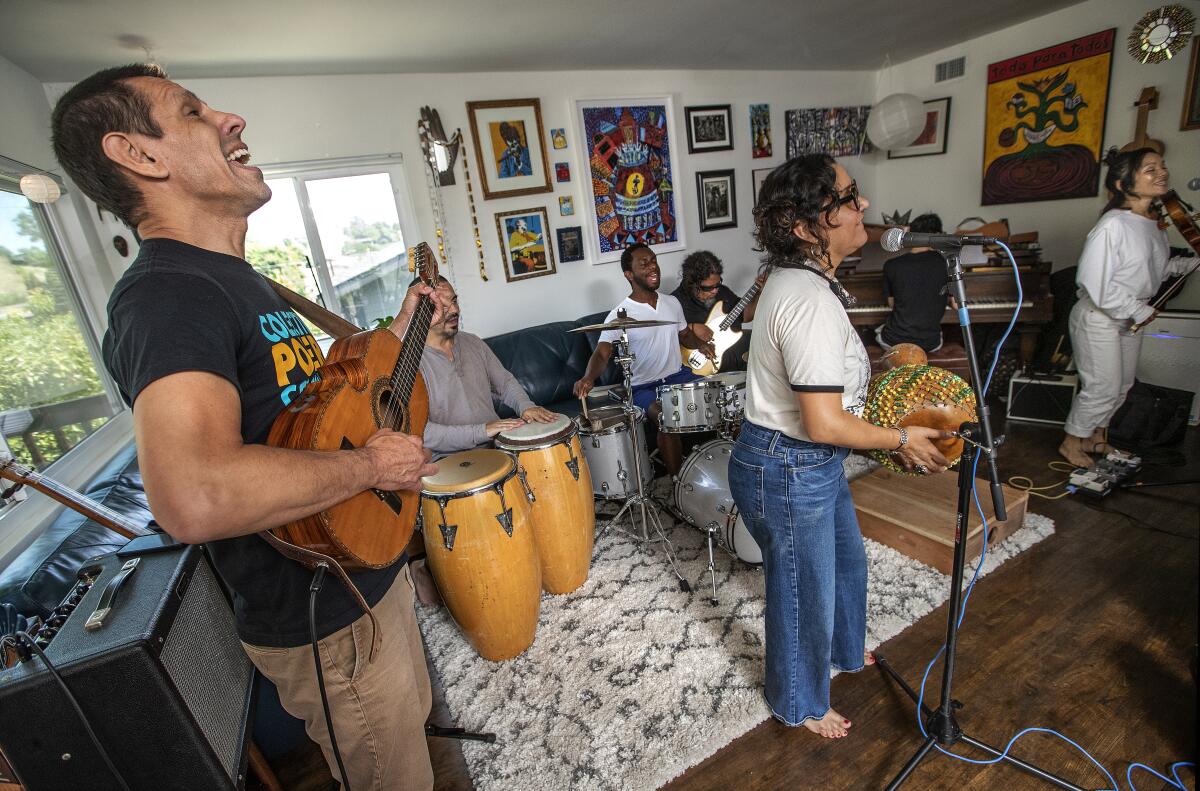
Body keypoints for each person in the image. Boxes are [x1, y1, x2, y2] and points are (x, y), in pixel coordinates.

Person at [51, 64, 445, 791]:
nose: (232, 120)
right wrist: (372, 469)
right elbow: (195, 493)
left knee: (411, 740)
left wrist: (404, 325)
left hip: (365, 569)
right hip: (329, 620)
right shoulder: (169, 295)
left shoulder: (240, 281)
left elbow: (311, 411)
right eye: (194, 112)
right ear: (140, 155)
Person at [729, 154, 951, 739]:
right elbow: (825, 423)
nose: (865, 206)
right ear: (805, 228)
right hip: (788, 466)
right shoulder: (808, 300)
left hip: (803, 462)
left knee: (846, 564)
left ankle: (845, 652)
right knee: (803, 587)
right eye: (850, 198)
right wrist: (901, 438)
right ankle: (798, 701)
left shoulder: (811, 283)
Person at [1059, 148, 1198, 468]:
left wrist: (1190, 263)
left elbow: (1155, 268)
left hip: (1129, 315)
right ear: (1123, 184)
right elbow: (1094, 281)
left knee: (1121, 386)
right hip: (1100, 316)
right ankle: (1071, 442)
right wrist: (1136, 309)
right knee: (1102, 387)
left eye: (1161, 167)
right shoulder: (1113, 225)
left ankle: (1097, 439)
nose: (1161, 173)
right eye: (1150, 169)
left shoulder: (1153, 223)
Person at [572, 243, 714, 474]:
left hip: (677, 376)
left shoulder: (672, 303)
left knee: (723, 396)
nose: (652, 267)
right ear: (629, 275)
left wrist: (701, 345)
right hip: (643, 387)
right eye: (644, 264)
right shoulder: (620, 315)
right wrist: (588, 377)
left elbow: (684, 334)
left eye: (653, 260)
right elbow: (602, 352)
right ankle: (677, 482)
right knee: (667, 418)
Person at [420, 278, 557, 456]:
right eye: (444, 306)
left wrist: (525, 406)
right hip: (450, 462)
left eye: (454, 300)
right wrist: (482, 431)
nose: (455, 310)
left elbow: (505, 382)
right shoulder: (413, 364)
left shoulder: (473, 342)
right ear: (422, 314)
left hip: (497, 445)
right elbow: (424, 432)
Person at [671, 249, 764, 372]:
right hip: (701, 369)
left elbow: (746, 316)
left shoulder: (722, 292)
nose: (715, 290)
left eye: (717, 284)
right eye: (708, 288)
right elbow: (665, 340)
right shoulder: (675, 302)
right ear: (692, 284)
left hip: (737, 362)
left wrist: (758, 294)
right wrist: (691, 327)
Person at [876, 212, 949, 353]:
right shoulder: (947, 263)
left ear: (910, 234)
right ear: (936, 235)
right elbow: (956, 304)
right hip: (930, 343)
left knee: (875, 331)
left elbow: (892, 304)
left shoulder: (891, 265)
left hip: (894, 340)